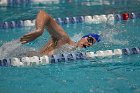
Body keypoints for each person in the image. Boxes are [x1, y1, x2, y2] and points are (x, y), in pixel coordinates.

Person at [20, 10, 100, 56]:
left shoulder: (70, 53)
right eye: (90, 40)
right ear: (83, 37)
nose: (88, 44)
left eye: (91, 45)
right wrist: (39, 30)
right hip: (27, 56)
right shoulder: (64, 40)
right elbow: (43, 14)